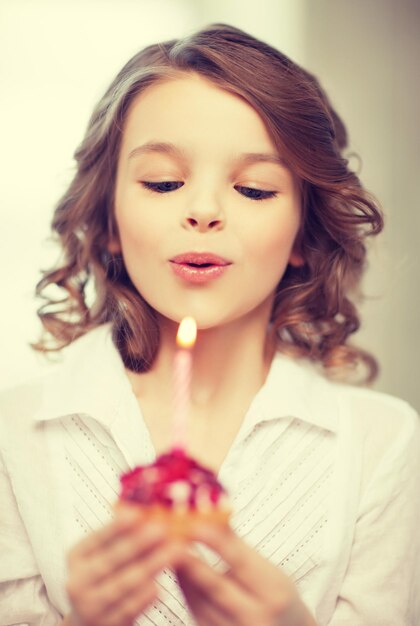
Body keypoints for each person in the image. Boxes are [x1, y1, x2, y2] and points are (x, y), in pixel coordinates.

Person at [0, 22, 419, 626]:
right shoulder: (14, 435)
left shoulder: (380, 443)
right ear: (110, 218)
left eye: (253, 188)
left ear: (303, 232)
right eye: (164, 182)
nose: (202, 211)